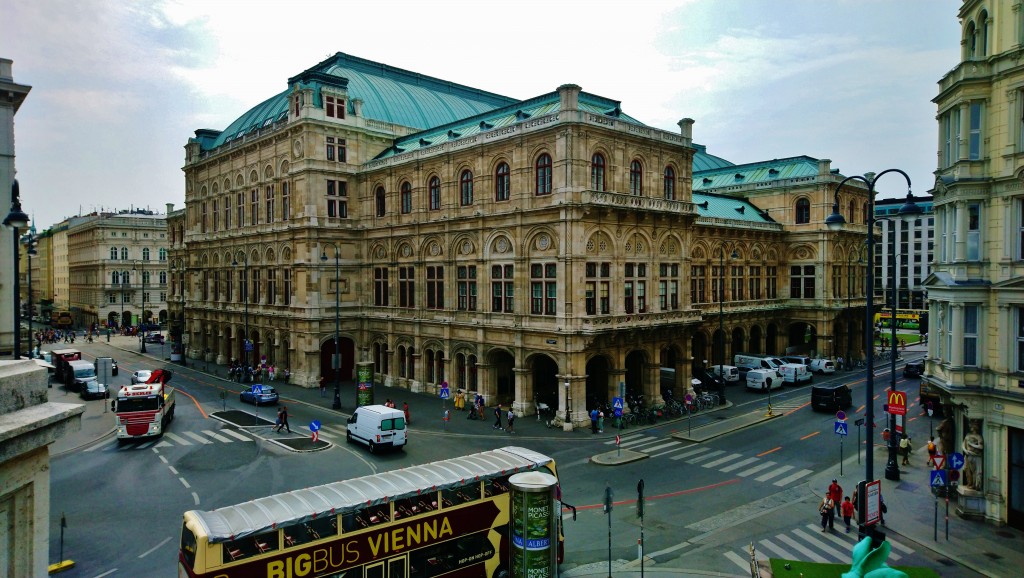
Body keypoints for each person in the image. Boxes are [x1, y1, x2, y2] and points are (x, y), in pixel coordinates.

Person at [963, 420, 985, 491]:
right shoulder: (968, 435)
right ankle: (970, 483)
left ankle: (976, 485)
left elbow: (981, 447)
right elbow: (963, 444)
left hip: (976, 456)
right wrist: (965, 450)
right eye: (970, 426)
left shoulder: (978, 436)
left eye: (972, 426)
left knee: (976, 471)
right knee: (968, 470)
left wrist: (972, 445)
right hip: (968, 455)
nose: (971, 427)